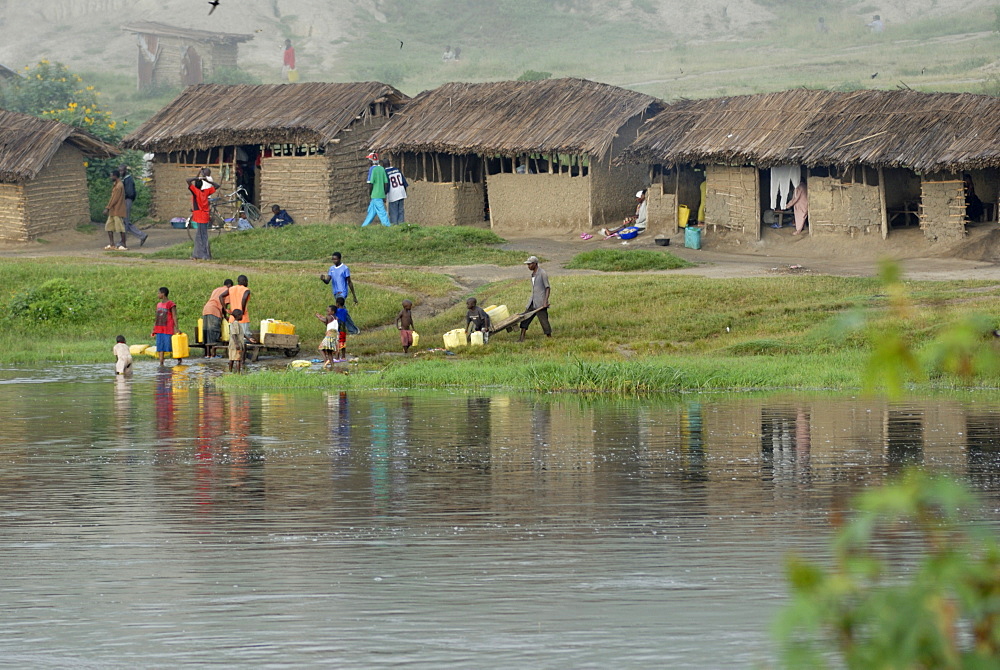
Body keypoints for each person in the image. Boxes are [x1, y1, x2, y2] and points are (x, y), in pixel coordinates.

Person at [519, 256, 551, 342]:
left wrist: (545, 302)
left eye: (529, 264)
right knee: (525, 318)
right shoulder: (533, 274)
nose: (528, 266)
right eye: (528, 265)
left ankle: (549, 337)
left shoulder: (542, 273)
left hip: (540, 302)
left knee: (543, 320)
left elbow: (547, 288)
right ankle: (521, 338)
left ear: (535, 264)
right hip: (532, 301)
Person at [186, 170, 216, 260]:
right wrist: (207, 181)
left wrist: (197, 178)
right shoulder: (206, 192)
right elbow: (217, 186)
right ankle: (198, 255)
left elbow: (187, 180)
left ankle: (204, 255)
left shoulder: (196, 192)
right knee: (201, 235)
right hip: (205, 216)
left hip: (199, 216)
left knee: (201, 236)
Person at [202, 278, 233, 354]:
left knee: (207, 332)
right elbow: (224, 305)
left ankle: (207, 354)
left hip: (206, 309)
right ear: (230, 286)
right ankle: (213, 355)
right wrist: (225, 315)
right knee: (214, 332)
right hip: (214, 310)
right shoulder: (228, 291)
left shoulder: (216, 289)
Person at [119, 164, 147, 247]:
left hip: (127, 200)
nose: (121, 172)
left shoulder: (128, 179)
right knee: (125, 221)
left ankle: (123, 241)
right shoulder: (125, 179)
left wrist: (124, 198)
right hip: (126, 200)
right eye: (119, 171)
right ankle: (142, 235)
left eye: (122, 170)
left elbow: (130, 193)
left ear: (125, 170)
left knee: (125, 222)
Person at [152, 286, 181, 366]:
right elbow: (157, 317)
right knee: (160, 347)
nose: (158, 295)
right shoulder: (158, 305)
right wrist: (154, 329)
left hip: (168, 328)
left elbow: (174, 316)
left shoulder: (171, 304)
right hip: (159, 329)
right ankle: (161, 363)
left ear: (163, 294)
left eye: (159, 293)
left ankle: (179, 360)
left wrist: (176, 328)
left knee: (171, 346)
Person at [361, 152, 391, 227]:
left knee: (382, 212)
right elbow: (386, 183)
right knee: (371, 211)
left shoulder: (372, 170)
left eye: (369, 160)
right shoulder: (382, 169)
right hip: (380, 194)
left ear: (371, 161)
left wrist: (370, 194)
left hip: (375, 194)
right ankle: (364, 226)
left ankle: (387, 226)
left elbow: (370, 184)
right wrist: (384, 194)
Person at [221, 275, 253, 342]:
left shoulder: (231, 289)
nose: (247, 283)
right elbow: (244, 298)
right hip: (243, 318)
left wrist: (225, 308)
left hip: (233, 318)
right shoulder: (246, 290)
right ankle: (242, 351)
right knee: (244, 337)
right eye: (247, 282)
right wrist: (243, 311)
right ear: (244, 281)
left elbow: (221, 296)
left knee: (234, 337)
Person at [103, 170, 128, 251]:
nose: (111, 177)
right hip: (113, 211)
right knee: (109, 227)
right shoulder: (116, 185)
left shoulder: (119, 186)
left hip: (117, 210)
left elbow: (114, 199)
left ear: (115, 176)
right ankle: (112, 244)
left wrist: (107, 208)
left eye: (111, 176)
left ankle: (123, 244)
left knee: (120, 228)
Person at [383, 158, 408, 225]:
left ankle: (394, 228)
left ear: (383, 165)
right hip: (401, 192)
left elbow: (386, 185)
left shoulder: (385, 172)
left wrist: (384, 194)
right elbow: (404, 183)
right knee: (401, 211)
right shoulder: (397, 170)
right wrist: (404, 192)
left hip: (393, 194)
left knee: (393, 212)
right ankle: (402, 226)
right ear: (389, 163)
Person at [316, 304, 339, 369]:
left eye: (328, 311)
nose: (327, 312)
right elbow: (327, 323)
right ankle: (332, 365)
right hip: (335, 335)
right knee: (329, 352)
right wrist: (321, 317)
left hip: (330, 334)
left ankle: (326, 360)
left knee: (320, 348)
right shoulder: (336, 318)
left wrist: (319, 317)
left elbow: (325, 320)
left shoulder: (329, 317)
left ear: (333, 312)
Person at [227, 308, 246, 373]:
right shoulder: (236, 323)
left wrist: (249, 339)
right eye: (241, 315)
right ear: (238, 315)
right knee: (238, 359)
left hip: (232, 345)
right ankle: (238, 373)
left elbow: (241, 334)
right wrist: (237, 344)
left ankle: (230, 372)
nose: (242, 317)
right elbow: (234, 335)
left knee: (231, 359)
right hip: (236, 345)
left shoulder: (234, 323)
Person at [334, 296, 351, 361]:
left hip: (338, 329)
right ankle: (343, 357)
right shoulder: (345, 310)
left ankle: (337, 357)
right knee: (343, 343)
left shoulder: (336, 311)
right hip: (343, 329)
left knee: (337, 343)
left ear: (337, 304)